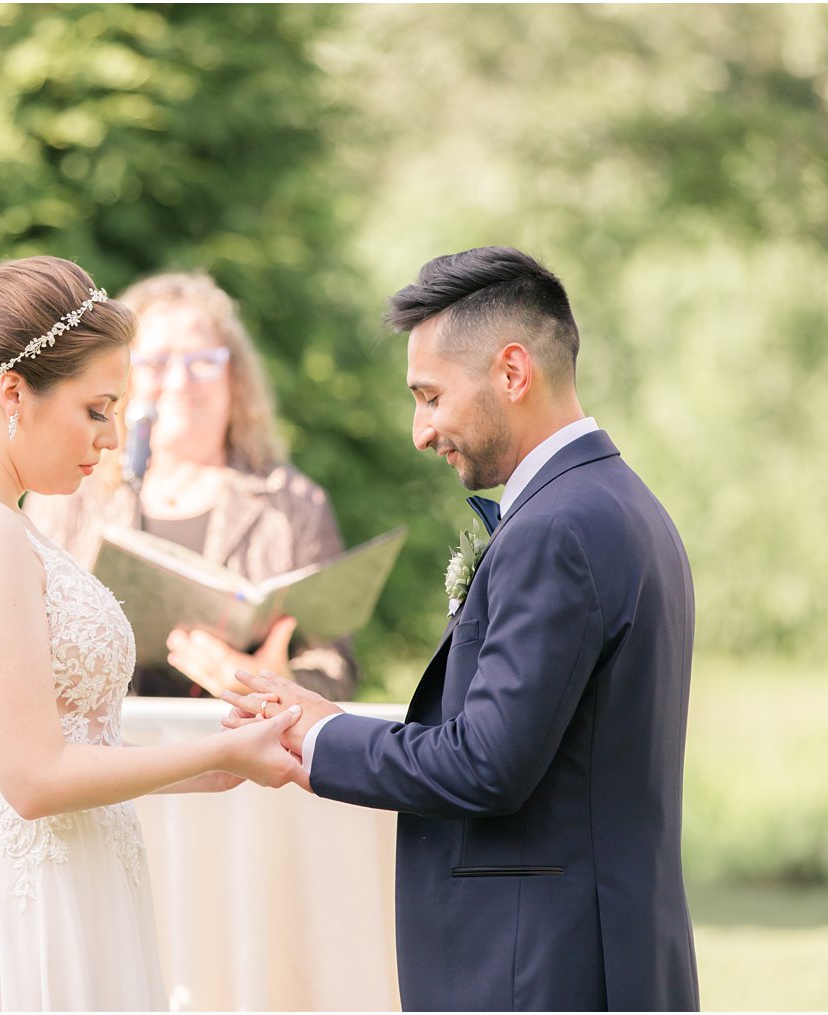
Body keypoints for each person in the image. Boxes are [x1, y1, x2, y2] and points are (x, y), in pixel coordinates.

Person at [222, 247, 700, 1010]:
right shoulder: (624, 504)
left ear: (512, 372)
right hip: (605, 951)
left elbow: (486, 763)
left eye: (430, 395)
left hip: (537, 969)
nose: (420, 430)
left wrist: (319, 736)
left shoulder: (558, 530)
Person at [0, 256, 304, 1011]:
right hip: (31, 901)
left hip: (11, 874)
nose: (111, 440)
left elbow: (42, 741)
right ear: (13, 392)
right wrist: (219, 748)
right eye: (98, 408)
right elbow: (35, 778)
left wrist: (203, 767)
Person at [24, 271, 357, 699]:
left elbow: (336, 666)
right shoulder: (66, 489)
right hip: (97, 753)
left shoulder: (293, 503)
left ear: (233, 377)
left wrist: (279, 682)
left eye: (202, 362)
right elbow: (18, 631)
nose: (180, 382)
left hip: (240, 750)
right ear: (122, 377)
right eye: (157, 363)